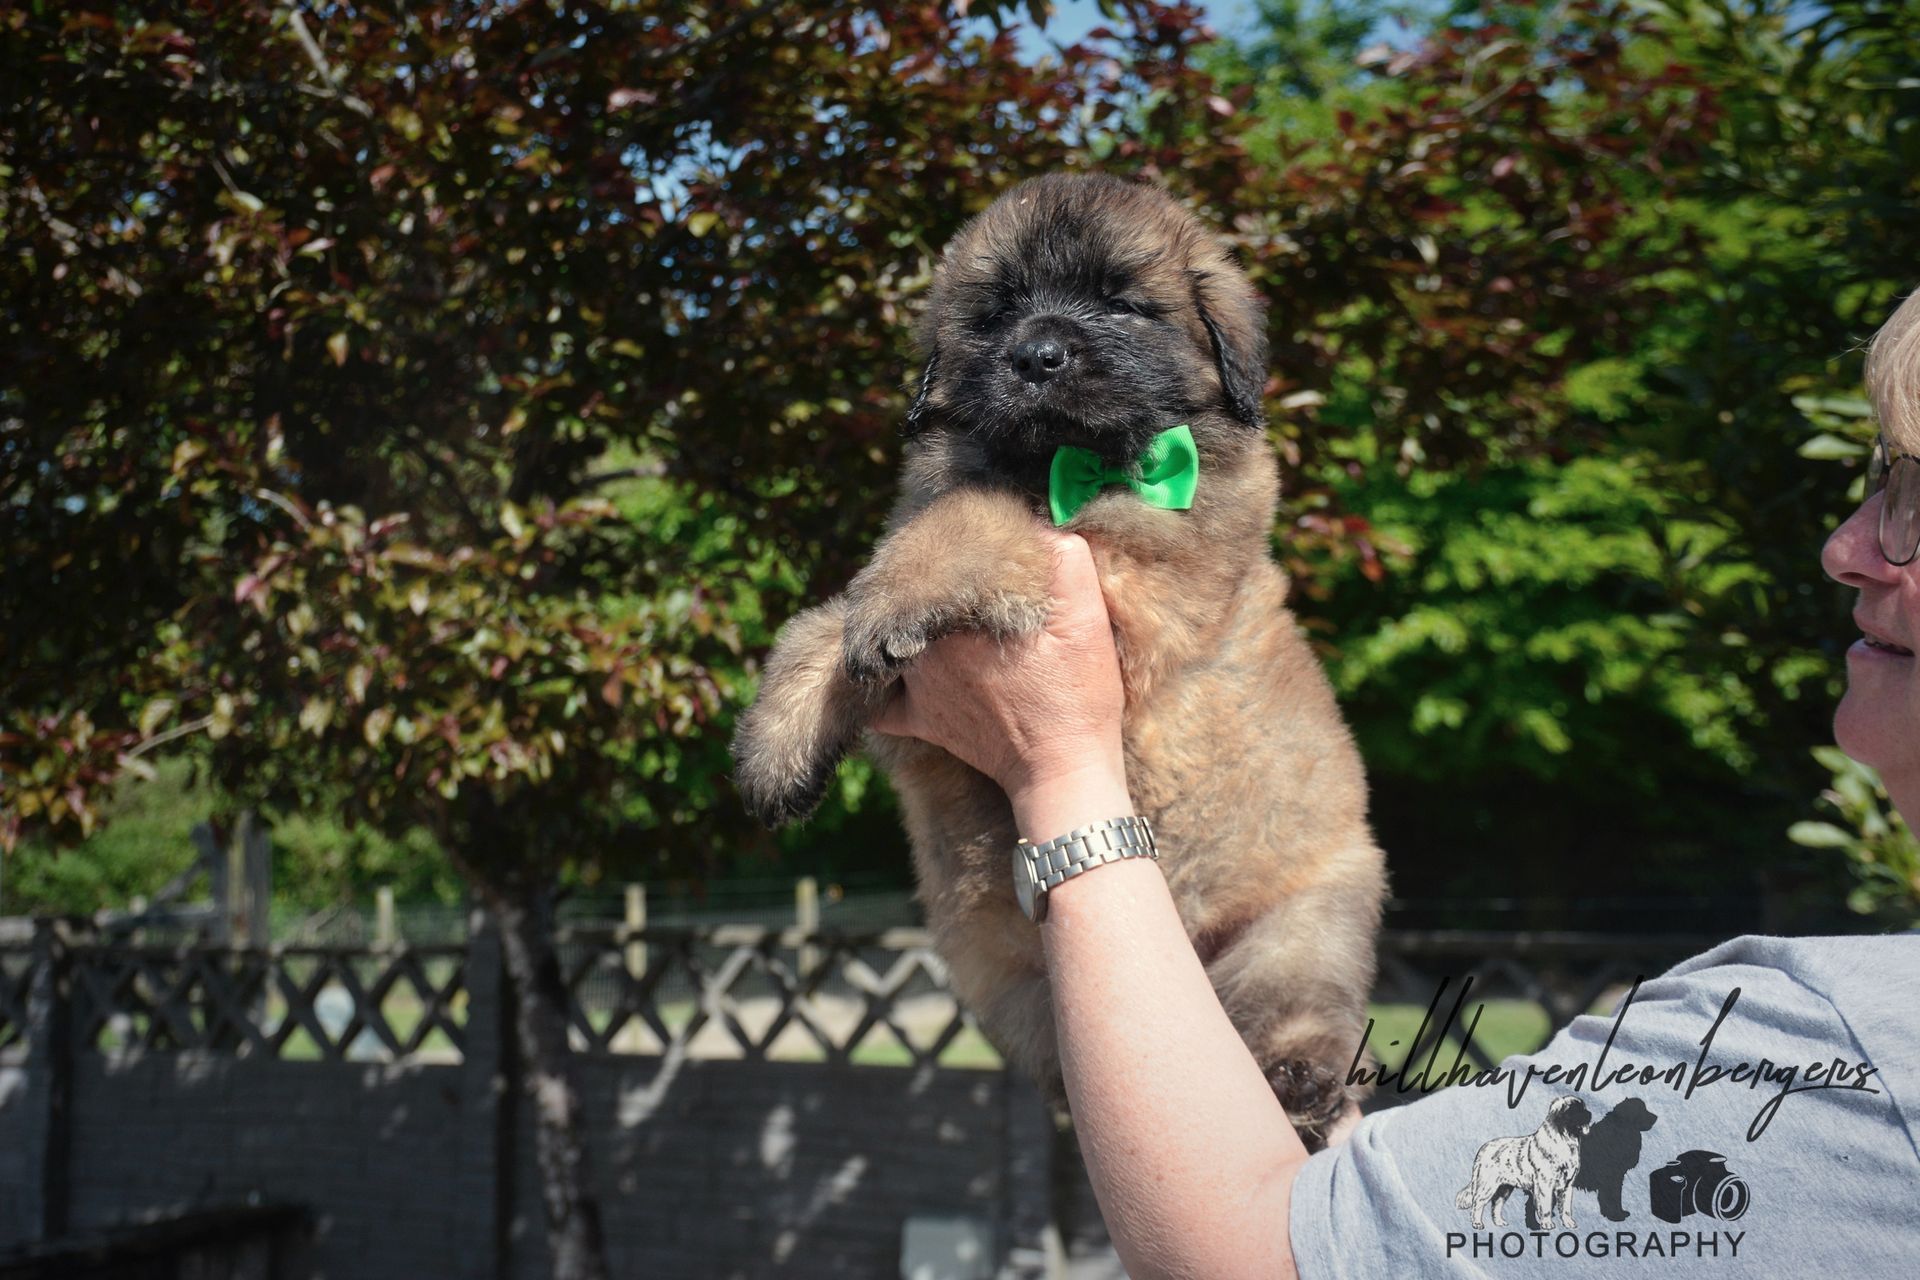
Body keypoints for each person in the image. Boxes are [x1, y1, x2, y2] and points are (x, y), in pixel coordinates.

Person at [872, 292, 1920, 1278]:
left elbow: (1257, 1257)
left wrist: (1058, 768)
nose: (1845, 548)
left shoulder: (1839, 1056)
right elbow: (1364, 1228)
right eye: (1877, 480)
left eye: (1914, 493)